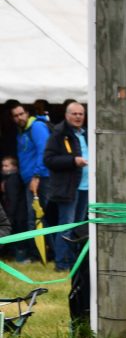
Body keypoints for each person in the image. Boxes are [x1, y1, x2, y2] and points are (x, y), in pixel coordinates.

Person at [42, 101, 88, 271]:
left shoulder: (86, 133)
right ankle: (61, 264)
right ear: (67, 115)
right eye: (74, 114)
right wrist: (73, 161)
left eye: (81, 114)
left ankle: (74, 263)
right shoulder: (58, 133)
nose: (78, 117)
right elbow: (48, 160)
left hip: (85, 187)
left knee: (78, 228)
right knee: (66, 226)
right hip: (67, 188)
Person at [11, 102, 51, 262]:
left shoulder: (36, 127)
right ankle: (41, 254)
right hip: (30, 179)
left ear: (27, 113)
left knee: (36, 217)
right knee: (34, 217)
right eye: (15, 115)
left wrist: (36, 176)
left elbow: (44, 151)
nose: (19, 117)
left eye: (21, 114)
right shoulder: (22, 131)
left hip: (40, 179)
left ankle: (39, 255)